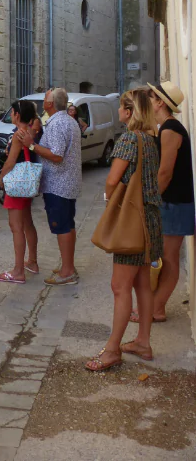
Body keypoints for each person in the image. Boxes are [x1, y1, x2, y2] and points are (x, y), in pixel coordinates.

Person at [85, 89, 162, 371]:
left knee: (119, 287)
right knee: (142, 283)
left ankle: (112, 350)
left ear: (129, 112)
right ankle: (142, 341)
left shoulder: (130, 138)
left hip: (132, 222)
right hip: (151, 220)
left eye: (120, 108)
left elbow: (112, 180)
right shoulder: (151, 140)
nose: (118, 112)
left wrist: (110, 204)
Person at [132, 82, 193, 323]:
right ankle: (157, 306)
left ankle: (157, 309)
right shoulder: (164, 128)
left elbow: (165, 173)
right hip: (173, 203)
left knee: (168, 259)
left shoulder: (170, 129)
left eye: (151, 95)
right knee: (165, 258)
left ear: (160, 102)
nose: (148, 98)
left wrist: (151, 201)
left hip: (174, 204)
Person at [17, 88, 81, 285]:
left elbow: (57, 155)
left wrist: (31, 144)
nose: (43, 100)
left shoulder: (58, 123)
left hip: (58, 184)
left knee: (62, 227)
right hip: (66, 183)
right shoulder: (68, 121)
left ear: (50, 104)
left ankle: (67, 272)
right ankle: (68, 265)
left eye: (46, 98)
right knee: (67, 225)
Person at [0, 100, 39, 284]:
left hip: (17, 184)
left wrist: (1, 177)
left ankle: (18, 270)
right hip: (26, 183)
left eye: (12, 112)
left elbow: (11, 160)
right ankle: (32, 262)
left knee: (16, 227)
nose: (11, 114)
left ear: (17, 115)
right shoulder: (30, 132)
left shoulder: (18, 135)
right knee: (27, 223)